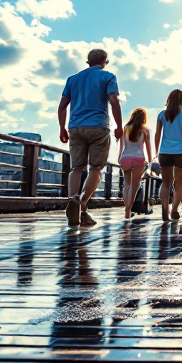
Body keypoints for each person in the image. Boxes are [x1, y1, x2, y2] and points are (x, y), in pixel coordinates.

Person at [58, 48, 122, 228]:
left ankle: (73, 200)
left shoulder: (73, 79)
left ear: (88, 62)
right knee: (95, 168)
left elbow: (62, 106)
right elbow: (114, 100)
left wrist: (62, 127)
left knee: (76, 168)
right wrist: (118, 126)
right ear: (104, 61)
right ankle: (82, 204)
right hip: (98, 126)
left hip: (76, 127)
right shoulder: (108, 76)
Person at [153, 89, 182, 222]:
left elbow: (157, 134)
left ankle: (165, 211)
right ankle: (175, 210)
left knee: (166, 183)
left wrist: (157, 151)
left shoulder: (162, 115)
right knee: (179, 183)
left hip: (165, 152)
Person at [118, 107, 153, 220]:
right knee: (135, 184)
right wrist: (150, 162)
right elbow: (148, 149)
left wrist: (119, 159)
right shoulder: (145, 131)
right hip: (138, 159)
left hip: (125, 158)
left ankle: (127, 209)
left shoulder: (126, 128)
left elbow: (121, 147)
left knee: (127, 185)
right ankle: (128, 209)